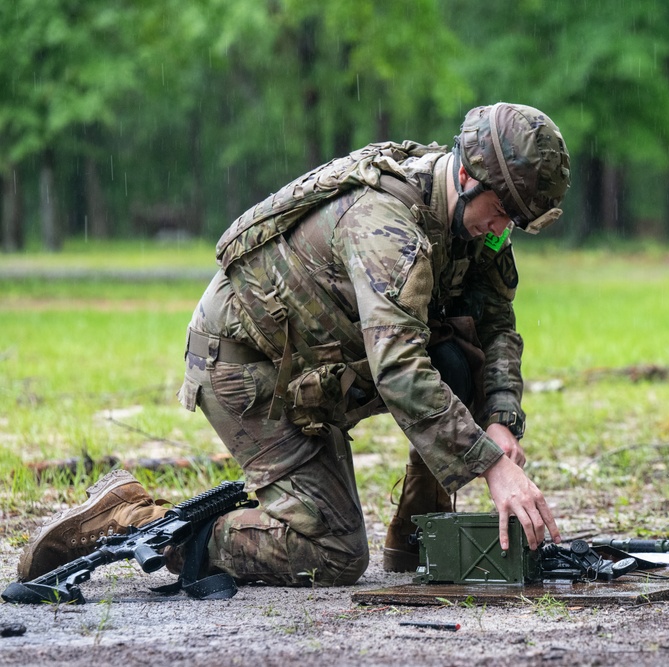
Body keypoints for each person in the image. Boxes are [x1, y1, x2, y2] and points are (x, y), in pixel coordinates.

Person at [17, 102, 570, 587]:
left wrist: (500, 418)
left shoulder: (471, 218)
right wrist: (492, 465)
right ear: (470, 175)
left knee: (457, 354)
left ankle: (420, 531)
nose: (502, 229)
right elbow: (399, 371)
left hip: (327, 361)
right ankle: (138, 522)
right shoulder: (386, 226)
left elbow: (496, 322)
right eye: (501, 212)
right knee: (331, 553)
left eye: (515, 221)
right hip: (250, 367)